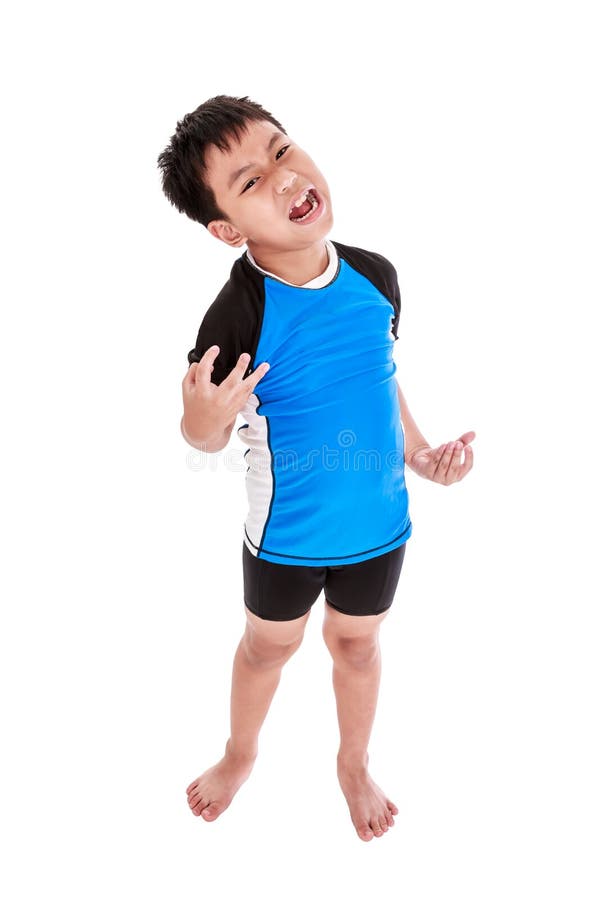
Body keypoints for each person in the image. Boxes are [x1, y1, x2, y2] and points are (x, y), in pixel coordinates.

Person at [157, 94, 475, 841]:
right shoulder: (236, 317)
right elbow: (204, 433)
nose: (282, 176)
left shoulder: (375, 275)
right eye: (248, 180)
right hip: (288, 537)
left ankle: (353, 764)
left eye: (281, 149)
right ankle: (240, 754)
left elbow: (377, 373)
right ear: (227, 230)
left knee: (359, 645)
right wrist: (201, 417)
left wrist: (420, 452)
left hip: (380, 523)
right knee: (269, 647)